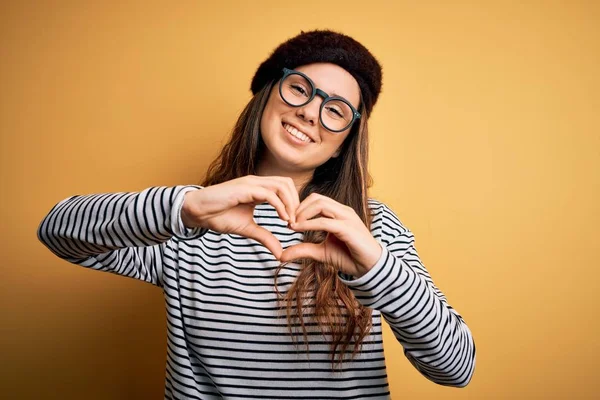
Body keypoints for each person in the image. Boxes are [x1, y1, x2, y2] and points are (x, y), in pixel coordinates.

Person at [37, 29, 475, 399]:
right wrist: (187, 206)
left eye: (336, 110)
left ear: (346, 140)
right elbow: (57, 231)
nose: (310, 112)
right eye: (301, 89)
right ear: (267, 96)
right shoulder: (188, 220)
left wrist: (376, 270)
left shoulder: (371, 227)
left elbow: (456, 368)